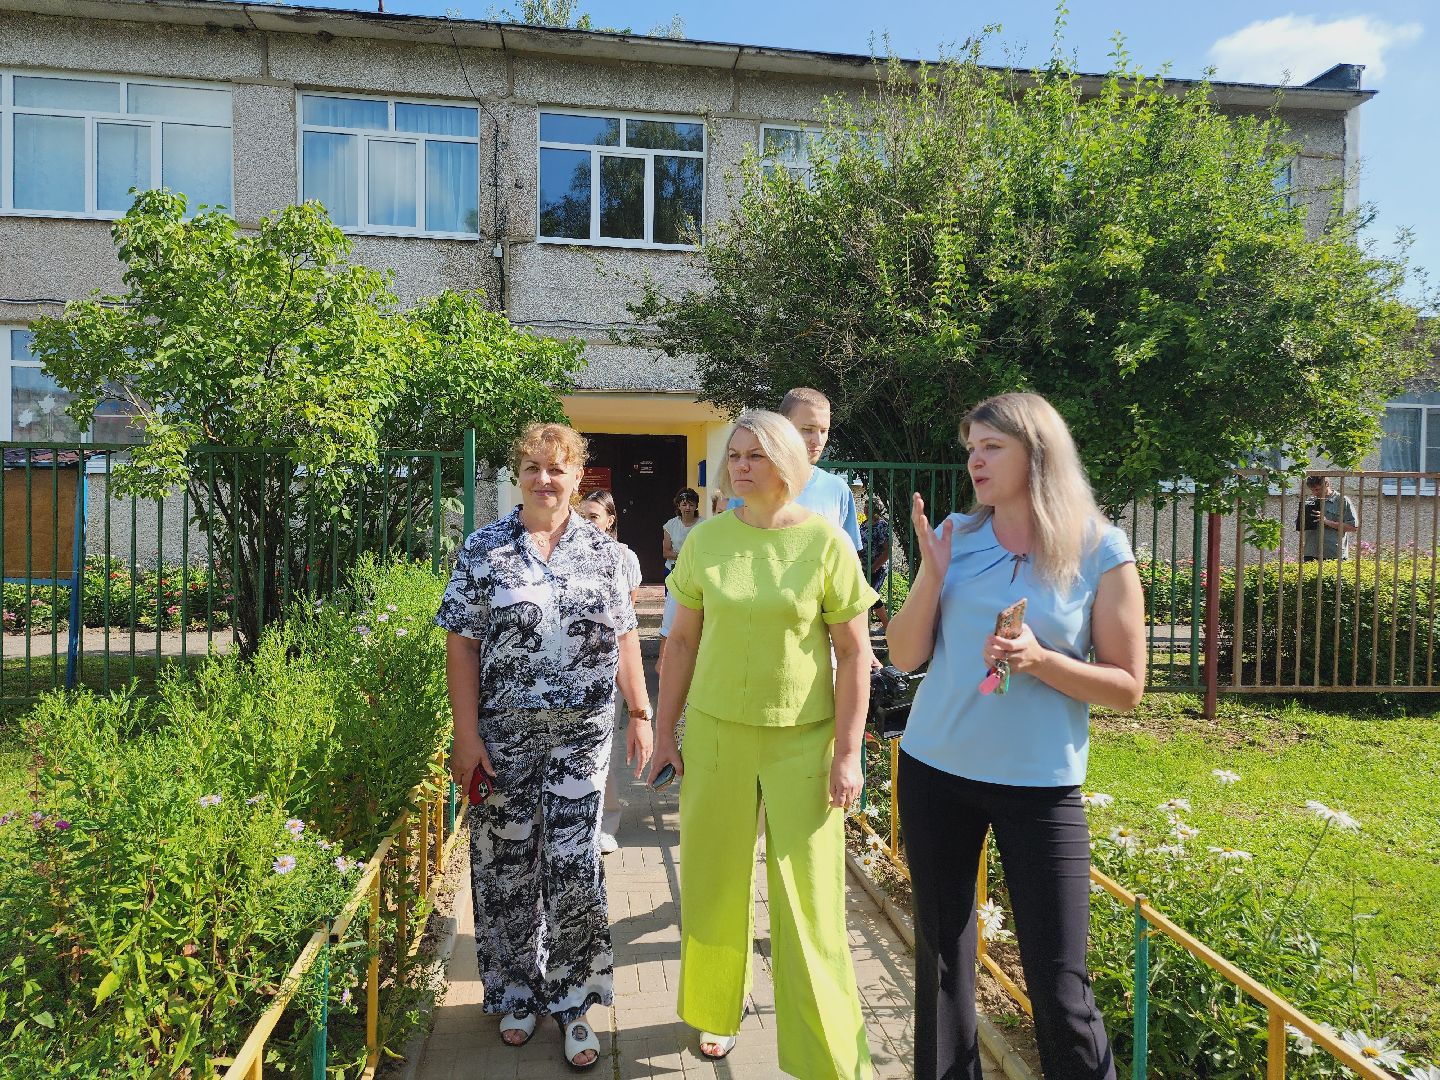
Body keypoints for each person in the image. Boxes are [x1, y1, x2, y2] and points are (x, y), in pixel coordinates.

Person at [885, 393, 1145, 1080]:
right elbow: (906, 656)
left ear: (1039, 452)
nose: (975, 458)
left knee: (1061, 984)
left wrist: (1042, 661)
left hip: (1041, 787)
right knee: (942, 964)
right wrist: (931, 575)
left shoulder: (1101, 549)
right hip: (935, 770)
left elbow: (1127, 686)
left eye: (992, 446)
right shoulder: (954, 536)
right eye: (971, 445)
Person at [649, 409, 877, 1078]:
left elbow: (854, 652)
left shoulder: (826, 542)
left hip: (803, 743)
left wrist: (847, 750)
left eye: (754, 455)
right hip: (718, 735)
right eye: (734, 456)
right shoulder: (706, 541)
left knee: (809, 901)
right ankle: (717, 1013)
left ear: (786, 463)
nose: (740, 466)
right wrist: (664, 732)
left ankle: (826, 1052)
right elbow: (682, 641)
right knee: (713, 884)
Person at [439, 423, 654, 1072]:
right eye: (532, 467)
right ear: (518, 473)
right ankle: (514, 993)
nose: (543, 479)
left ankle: (575, 1002)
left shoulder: (605, 554)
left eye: (556, 469)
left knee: (574, 870)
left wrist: (642, 714)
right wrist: (467, 733)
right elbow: (461, 644)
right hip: (503, 738)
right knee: (506, 869)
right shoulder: (484, 549)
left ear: (577, 475)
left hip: (582, 743)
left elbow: (623, 639)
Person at [578, 489, 642, 856]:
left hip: (610, 663)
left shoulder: (623, 557)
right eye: (582, 515)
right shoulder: (564, 549)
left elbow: (626, 622)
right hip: (572, 667)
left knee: (605, 744)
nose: (587, 523)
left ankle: (607, 821)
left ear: (610, 520)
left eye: (594, 517)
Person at [728, 388, 862, 550]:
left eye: (824, 431)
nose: (817, 440)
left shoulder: (837, 489)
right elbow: (730, 548)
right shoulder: (751, 484)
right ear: (782, 427)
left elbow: (847, 559)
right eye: (807, 430)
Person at [1297, 474, 1358, 562]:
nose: (1314, 493)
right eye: (1312, 490)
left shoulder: (1342, 501)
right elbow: (1301, 525)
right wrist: (1301, 520)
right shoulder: (1310, 501)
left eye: (1317, 489)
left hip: (1333, 554)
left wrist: (1327, 522)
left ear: (1326, 484)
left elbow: (1353, 527)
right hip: (1311, 553)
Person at [857, 486, 893, 630]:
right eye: (865, 507)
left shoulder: (881, 526)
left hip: (877, 568)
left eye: (868, 507)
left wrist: (875, 567)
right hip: (864, 567)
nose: (865, 510)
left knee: (871, 595)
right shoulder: (864, 524)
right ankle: (866, 628)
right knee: (864, 596)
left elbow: (887, 551)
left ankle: (887, 626)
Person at [661, 487, 701, 576]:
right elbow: (666, 552)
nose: (687, 508)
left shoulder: (703, 524)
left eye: (691, 505)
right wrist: (686, 557)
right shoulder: (670, 524)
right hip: (673, 570)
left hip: (695, 570)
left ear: (696, 506)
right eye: (684, 505)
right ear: (678, 506)